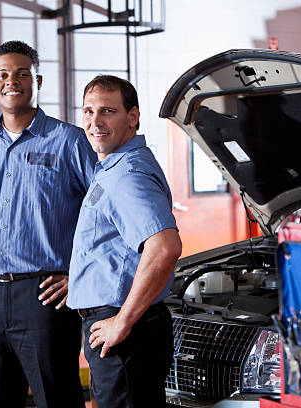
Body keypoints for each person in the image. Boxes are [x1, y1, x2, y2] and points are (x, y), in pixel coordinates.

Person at [0, 40, 96, 408]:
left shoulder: (70, 141)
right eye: (3, 75)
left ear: (38, 81)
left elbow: (105, 211)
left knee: (57, 399)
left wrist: (80, 275)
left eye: (22, 74)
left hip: (45, 297)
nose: (13, 81)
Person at [67, 75, 182, 408]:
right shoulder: (112, 167)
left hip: (125, 330)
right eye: (88, 112)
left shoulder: (127, 174)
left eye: (107, 111)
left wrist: (123, 321)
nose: (94, 122)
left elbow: (165, 247)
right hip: (121, 327)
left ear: (132, 117)